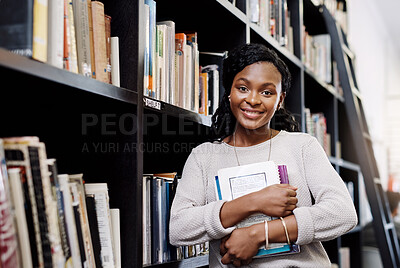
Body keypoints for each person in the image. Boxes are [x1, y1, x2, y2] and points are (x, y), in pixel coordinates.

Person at [169, 43, 358, 267]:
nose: (254, 100)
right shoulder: (204, 157)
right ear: (229, 92)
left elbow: (343, 213)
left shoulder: (303, 146)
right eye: (243, 88)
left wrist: (258, 234)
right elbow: (179, 229)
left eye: (267, 92)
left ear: (280, 100)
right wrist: (254, 201)